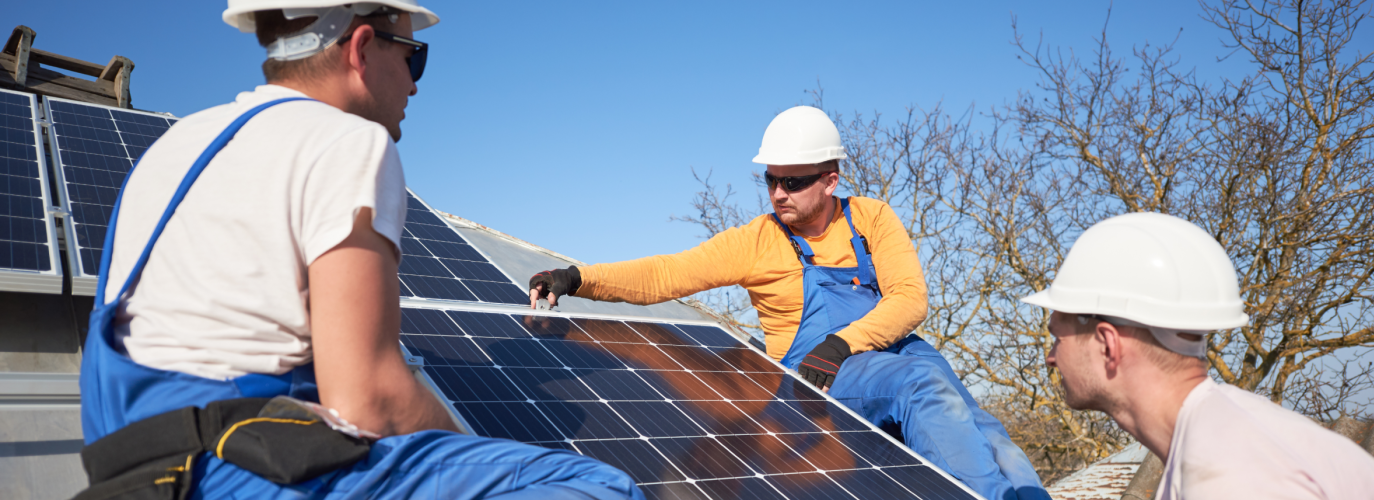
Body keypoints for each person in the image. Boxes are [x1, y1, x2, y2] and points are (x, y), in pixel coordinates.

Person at [76, 1, 639, 498]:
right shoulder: (345, 140)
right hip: (242, 470)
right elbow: (372, 398)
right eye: (414, 57)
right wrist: (474, 455)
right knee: (596, 485)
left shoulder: (173, 146)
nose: (416, 83)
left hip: (132, 472)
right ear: (363, 47)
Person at [529, 106, 1049, 500]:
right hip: (815, 375)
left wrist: (844, 340)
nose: (779, 193)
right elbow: (669, 273)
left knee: (985, 429)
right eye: (771, 179)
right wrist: (578, 277)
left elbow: (910, 299)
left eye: (794, 182)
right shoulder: (757, 240)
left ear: (830, 179)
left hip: (888, 350)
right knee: (921, 387)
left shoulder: (870, 218)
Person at [1022, 212, 1374, 499]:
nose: (1051, 357)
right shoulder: (1223, 433)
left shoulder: (1229, 476)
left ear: (1108, 345)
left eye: (1057, 338)